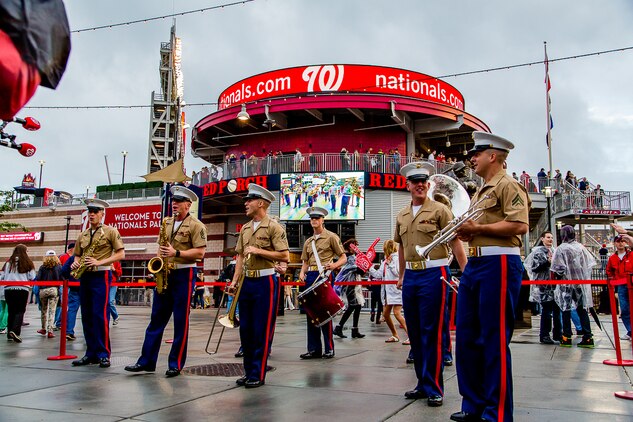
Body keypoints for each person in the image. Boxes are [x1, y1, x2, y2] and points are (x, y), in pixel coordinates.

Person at [452, 132, 530, 422]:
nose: (472, 158)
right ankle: (473, 404)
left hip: (499, 262)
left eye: (477, 153)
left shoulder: (508, 185)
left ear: (493, 156)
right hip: (476, 262)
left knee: (493, 339)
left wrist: (476, 230)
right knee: (468, 336)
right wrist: (466, 231)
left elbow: (520, 225)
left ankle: (496, 413)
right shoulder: (481, 190)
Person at [394, 161, 467, 408]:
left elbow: (455, 242)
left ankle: (435, 388)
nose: (420, 185)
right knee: (414, 333)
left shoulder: (440, 210)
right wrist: (402, 275)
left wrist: (465, 271)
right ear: (408, 186)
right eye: (415, 182)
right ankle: (422, 384)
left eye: (423, 181)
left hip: (434, 275)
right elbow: (401, 247)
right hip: (412, 278)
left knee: (432, 332)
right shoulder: (402, 215)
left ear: (428, 184)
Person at [125, 186, 206, 377]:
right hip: (165, 274)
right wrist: (157, 266)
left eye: (178, 201)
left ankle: (175, 363)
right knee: (156, 320)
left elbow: (200, 253)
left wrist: (176, 253)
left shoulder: (196, 225)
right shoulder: (166, 223)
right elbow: (160, 247)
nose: (174, 204)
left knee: (180, 321)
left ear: (188, 204)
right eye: (173, 201)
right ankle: (146, 361)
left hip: (184, 274)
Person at [228, 183, 289, 388]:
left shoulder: (274, 226)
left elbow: (284, 255)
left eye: (249, 200)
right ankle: (248, 371)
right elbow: (239, 257)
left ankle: (258, 373)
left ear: (260, 203)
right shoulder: (245, 228)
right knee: (245, 329)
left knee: (261, 329)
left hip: (265, 281)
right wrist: (234, 281)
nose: (245, 203)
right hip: (247, 281)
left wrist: (260, 251)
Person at [71, 198, 125, 368]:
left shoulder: (110, 231)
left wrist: (100, 262)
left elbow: (121, 254)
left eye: (95, 212)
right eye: (90, 211)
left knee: (100, 315)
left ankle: (103, 353)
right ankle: (90, 353)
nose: (92, 214)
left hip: (102, 275)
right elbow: (77, 253)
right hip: (86, 276)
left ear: (102, 214)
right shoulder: (83, 234)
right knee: (86, 315)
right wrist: (76, 261)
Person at [298, 206, 346, 360]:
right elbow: (305, 261)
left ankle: (329, 348)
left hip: (324, 275)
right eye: (312, 219)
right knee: (311, 313)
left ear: (322, 220)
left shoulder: (331, 237)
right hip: (310, 276)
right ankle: (313, 349)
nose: (314, 221)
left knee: (325, 312)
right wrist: (301, 272)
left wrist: (333, 266)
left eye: (317, 218)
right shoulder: (308, 241)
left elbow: (343, 257)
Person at [551, 225, 596, 348]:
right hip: (579, 284)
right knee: (582, 310)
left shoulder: (561, 249)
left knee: (566, 309)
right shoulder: (580, 247)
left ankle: (566, 336)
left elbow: (558, 268)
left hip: (566, 284)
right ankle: (588, 336)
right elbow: (589, 263)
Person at [368, 240, 407, 343]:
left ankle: (411, 335)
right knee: (385, 314)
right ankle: (395, 335)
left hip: (396, 290)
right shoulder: (385, 261)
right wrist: (369, 267)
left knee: (397, 313)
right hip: (387, 292)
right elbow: (378, 275)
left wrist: (390, 265)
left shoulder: (398, 258)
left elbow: (399, 273)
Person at [526, 231, 561, 344]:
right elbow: (534, 268)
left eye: (551, 237)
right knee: (547, 311)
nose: (550, 239)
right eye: (548, 237)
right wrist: (547, 262)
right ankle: (545, 334)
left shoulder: (555, 251)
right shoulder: (538, 252)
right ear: (542, 239)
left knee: (557, 310)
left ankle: (558, 333)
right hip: (544, 286)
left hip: (555, 285)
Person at [2, 244, 36, 343]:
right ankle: (15, 331)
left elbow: (2, 276)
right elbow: (32, 276)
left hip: (8, 289)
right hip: (22, 289)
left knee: (11, 311)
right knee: (20, 310)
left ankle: (9, 333)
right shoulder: (28, 263)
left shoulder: (9, 262)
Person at [333, 239, 366, 339]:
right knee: (353, 305)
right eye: (355, 246)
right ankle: (339, 327)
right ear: (351, 248)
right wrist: (365, 265)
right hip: (350, 285)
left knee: (358, 305)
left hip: (354, 283)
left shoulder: (353, 257)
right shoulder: (350, 258)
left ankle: (354, 329)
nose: (357, 248)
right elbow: (359, 270)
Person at [605, 234, 632, 341]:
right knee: (625, 309)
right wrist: (614, 282)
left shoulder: (631, 255)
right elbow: (609, 271)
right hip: (621, 285)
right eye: (618, 241)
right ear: (615, 243)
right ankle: (630, 331)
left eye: (622, 241)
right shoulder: (612, 258)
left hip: (631, 284)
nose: (620, 243)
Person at [35, 250, 61, 338]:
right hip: (54, 289)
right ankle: (50, 330)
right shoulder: (58, 267)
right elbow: (62, 278)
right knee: (52, 311)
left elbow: (38, 278)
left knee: (44, 310)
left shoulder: (42, 267)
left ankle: (43, 328)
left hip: (43, 290)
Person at [59, 244, 80, 341]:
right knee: (88, 311)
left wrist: (69, 277)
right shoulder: (90, 257)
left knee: (72, 309)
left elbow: (63, 270)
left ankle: (69, 331)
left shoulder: (73, 258)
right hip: (87, 287)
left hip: (74, 286)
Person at [109, 261, 122, 325]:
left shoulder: (116, 262)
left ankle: (115, 316)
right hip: (104, 283)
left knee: (110, 301)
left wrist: (114, 269)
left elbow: (120, 273)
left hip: (113, 284)